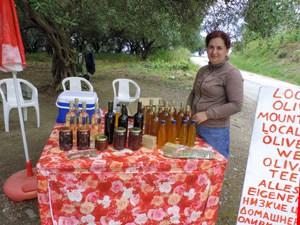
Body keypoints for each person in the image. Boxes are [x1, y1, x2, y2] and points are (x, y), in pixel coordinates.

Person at [187, 30, 244, 159]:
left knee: (211, 171)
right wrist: (188, 108)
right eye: (211, 47)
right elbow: (193, 93)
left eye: (219, 48)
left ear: (227, 50)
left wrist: (207, 114)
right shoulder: (203, 71)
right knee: (195, 169)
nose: (214, 52)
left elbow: (236, 105)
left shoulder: (232, 73)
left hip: (215, 132)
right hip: (194, 127)